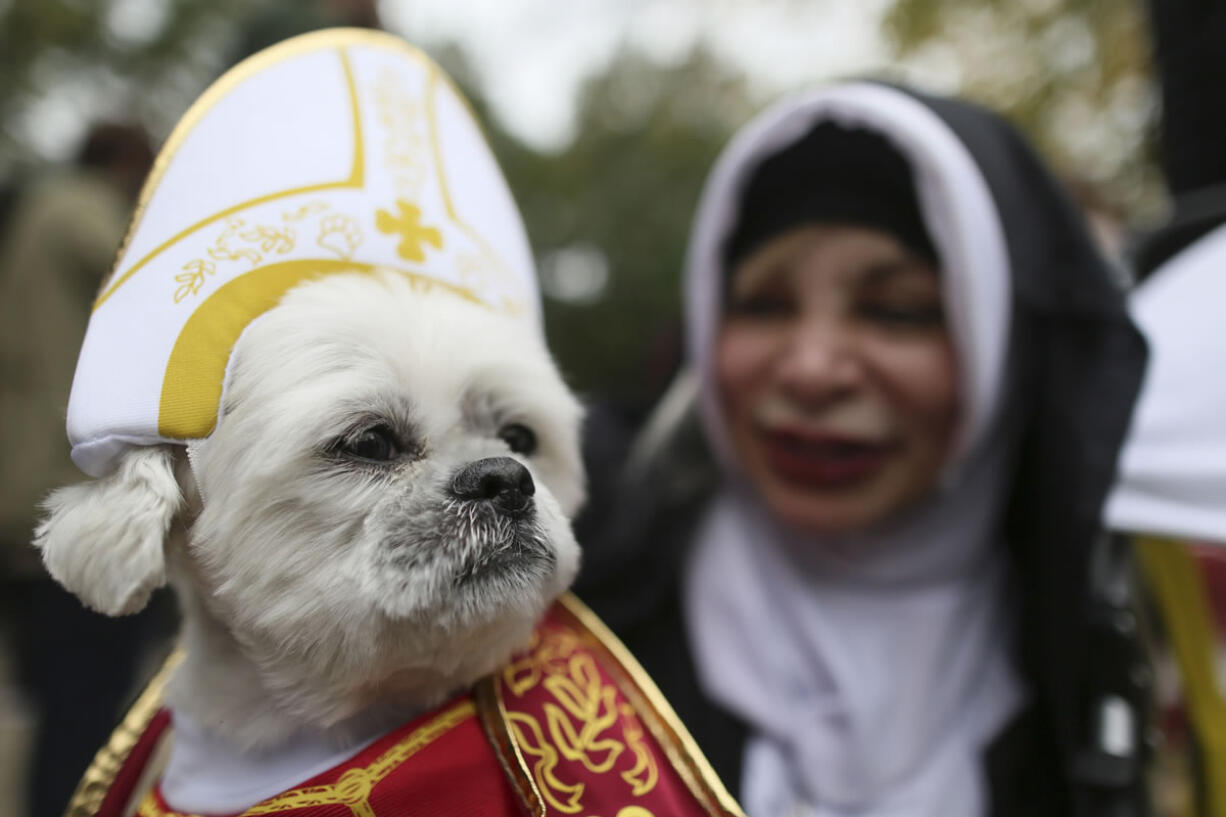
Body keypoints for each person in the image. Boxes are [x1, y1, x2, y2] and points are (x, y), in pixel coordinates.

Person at [574, 81, 1151, 817]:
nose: (812, 369)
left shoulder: (1087, 683)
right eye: (762, 303)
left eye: (895, 310)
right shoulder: (569, 619)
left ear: (1003, 351)